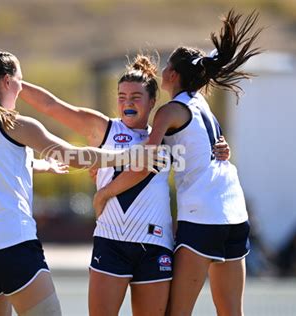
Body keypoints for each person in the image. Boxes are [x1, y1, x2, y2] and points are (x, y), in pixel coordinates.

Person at [19, 55, 230, 316]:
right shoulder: (103, 129)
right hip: (112, 241)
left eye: (135, 97)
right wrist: (13, 82)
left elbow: (198, 145)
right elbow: (52, 106)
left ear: (153, 101)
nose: (127, 103)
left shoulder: (166, 135)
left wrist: (219, 148)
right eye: (121, 96)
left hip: (155, 246)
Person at [0, 51, 158, 316]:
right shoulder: (17, 124)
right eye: (20, 79)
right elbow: (73, 156)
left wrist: (42, 165)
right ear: (7, 82)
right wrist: (127, 155)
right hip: (10, 242)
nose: (21, 86)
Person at [93, 10, 263, 316]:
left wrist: (104, 182)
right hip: (235, 213)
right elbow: (212, 149)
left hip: (202, 217)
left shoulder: (168, 111)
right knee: (231, 311)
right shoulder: (202, 105)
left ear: (173, 75)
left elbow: (145, 157)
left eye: (167, 66)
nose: (163, 70)